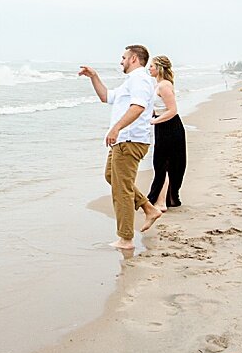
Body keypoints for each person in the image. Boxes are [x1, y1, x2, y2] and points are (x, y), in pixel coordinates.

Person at [79, 45, 164, 250]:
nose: (121, 61)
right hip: (123, 141)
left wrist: (116, 128)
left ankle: (125, 239)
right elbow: (106, 97)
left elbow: (138, 107)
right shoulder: (131, 81)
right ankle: (148, 208)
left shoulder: (140, 79)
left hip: (129, 141)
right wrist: (94, 76)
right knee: (112, 177)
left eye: (123, 57)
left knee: (121, 190)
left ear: (133, 58)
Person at [146, 55, 187, 210]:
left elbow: (173, 110)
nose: (149, 68)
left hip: (171, 127)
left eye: (151, 66)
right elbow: (157, 108)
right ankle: (163, 199)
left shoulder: (164, 85)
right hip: (162, 127)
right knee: (161, 164)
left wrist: (154, 121)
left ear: (159, 68)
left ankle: (162, 201)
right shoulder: (158, 85)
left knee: (164, 164)